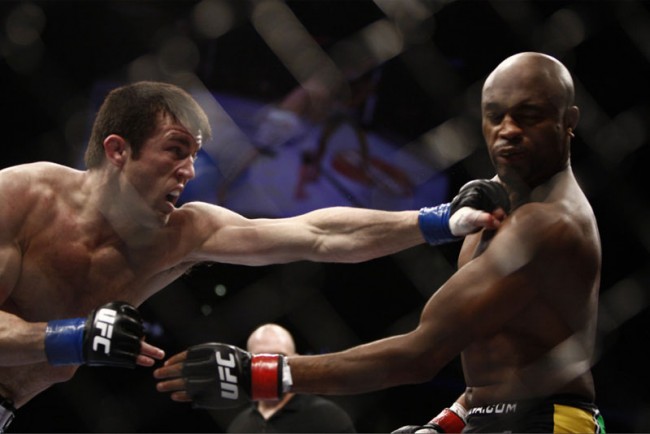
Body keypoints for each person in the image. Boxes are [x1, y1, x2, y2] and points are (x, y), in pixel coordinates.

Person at [0, 81, 506, 432]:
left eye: (194, 155)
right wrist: (72, 338)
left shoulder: (180, 233)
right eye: (175, 149)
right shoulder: (23, 195)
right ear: (117, 150)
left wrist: (437, 221)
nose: (188, 171)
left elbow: (316, 234)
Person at [154, 52, 607, 433]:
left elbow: (419, 355)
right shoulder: (492, 203)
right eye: (495, 115)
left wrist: (255, 374)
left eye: (528, 115)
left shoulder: (548, 225)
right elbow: (491, 372)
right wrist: (445, 424)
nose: (507, 129)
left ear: (568, 122)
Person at [226, 324, 356, 433]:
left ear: (296, 361)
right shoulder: (239, 425)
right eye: (260, 358)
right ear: (247, 365)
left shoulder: (327, 417)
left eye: (279, 357)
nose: (269, 365)